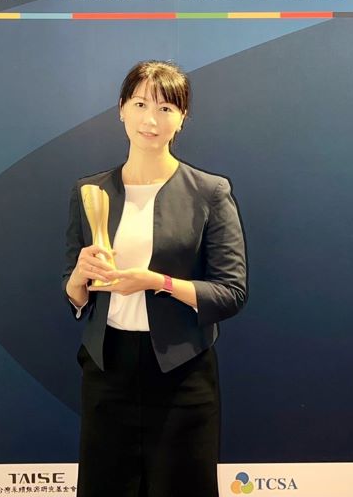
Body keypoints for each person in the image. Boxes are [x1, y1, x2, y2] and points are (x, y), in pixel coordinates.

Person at [62, 60, 248, 497]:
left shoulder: (209, 191)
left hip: (181, 371)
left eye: (166, 108)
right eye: (141, 104)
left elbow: (231, 292)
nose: (151, 119)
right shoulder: (90, 191)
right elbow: (74, 290)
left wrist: (154, 282)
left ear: (182, 118)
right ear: (121, 109)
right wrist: (79, 280)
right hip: (107, 370)